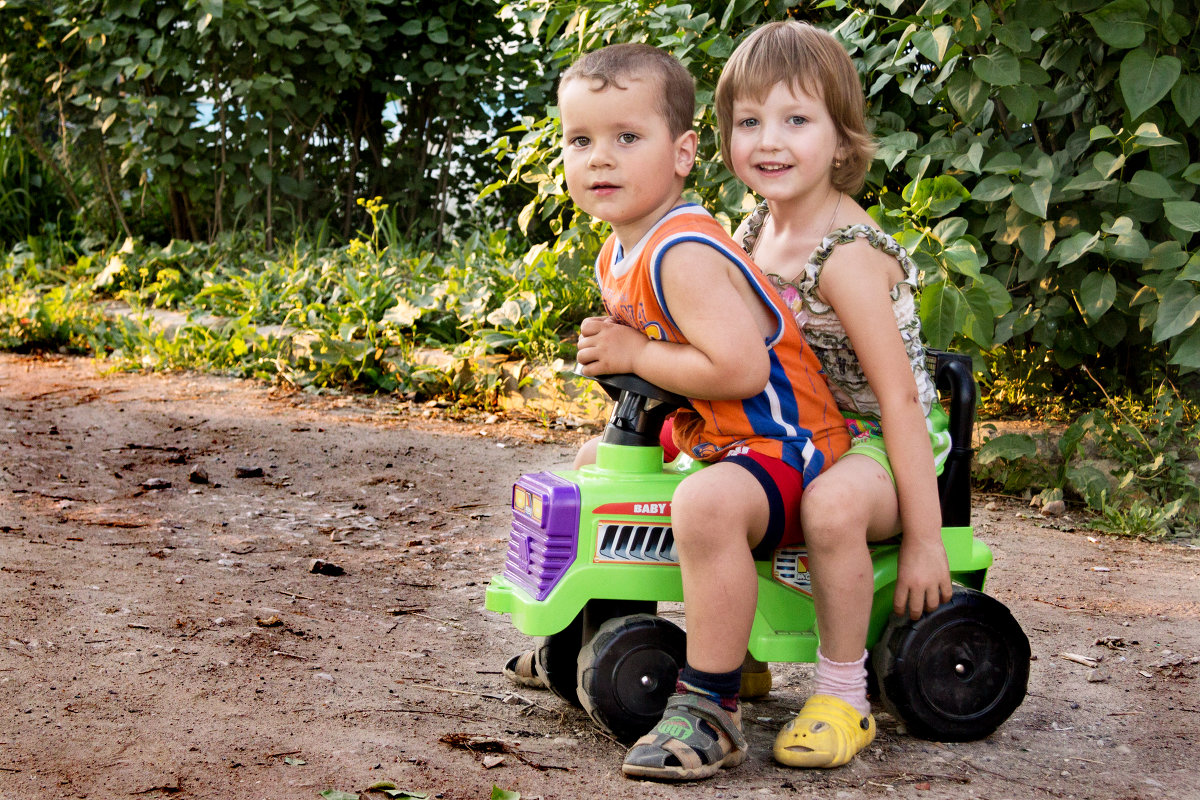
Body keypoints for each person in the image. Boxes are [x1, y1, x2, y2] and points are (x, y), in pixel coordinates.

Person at [529, 42, 851, 781]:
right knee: (596, 469)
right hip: (720, 435)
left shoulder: (682, 252)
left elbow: (740, 369)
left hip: (787, 442)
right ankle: (591, 633)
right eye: (581, 141)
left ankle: (711, 703)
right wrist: (622, 358)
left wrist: (635, 356)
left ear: (682, 154)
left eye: (626, 139)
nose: (599, 159)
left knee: (704, 507)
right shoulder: (622, 249)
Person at [712, 20, 955, 769]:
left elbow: (903, 403)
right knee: (708, 483)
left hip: (882, 436)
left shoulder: (844, 255)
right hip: (801, 422)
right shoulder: (754, 229)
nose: (769, 140)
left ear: (843, 141)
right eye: (749, 122)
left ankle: (843, 696)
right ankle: (727, 652)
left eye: (795, 120)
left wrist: (924, 538)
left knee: (830, 506)